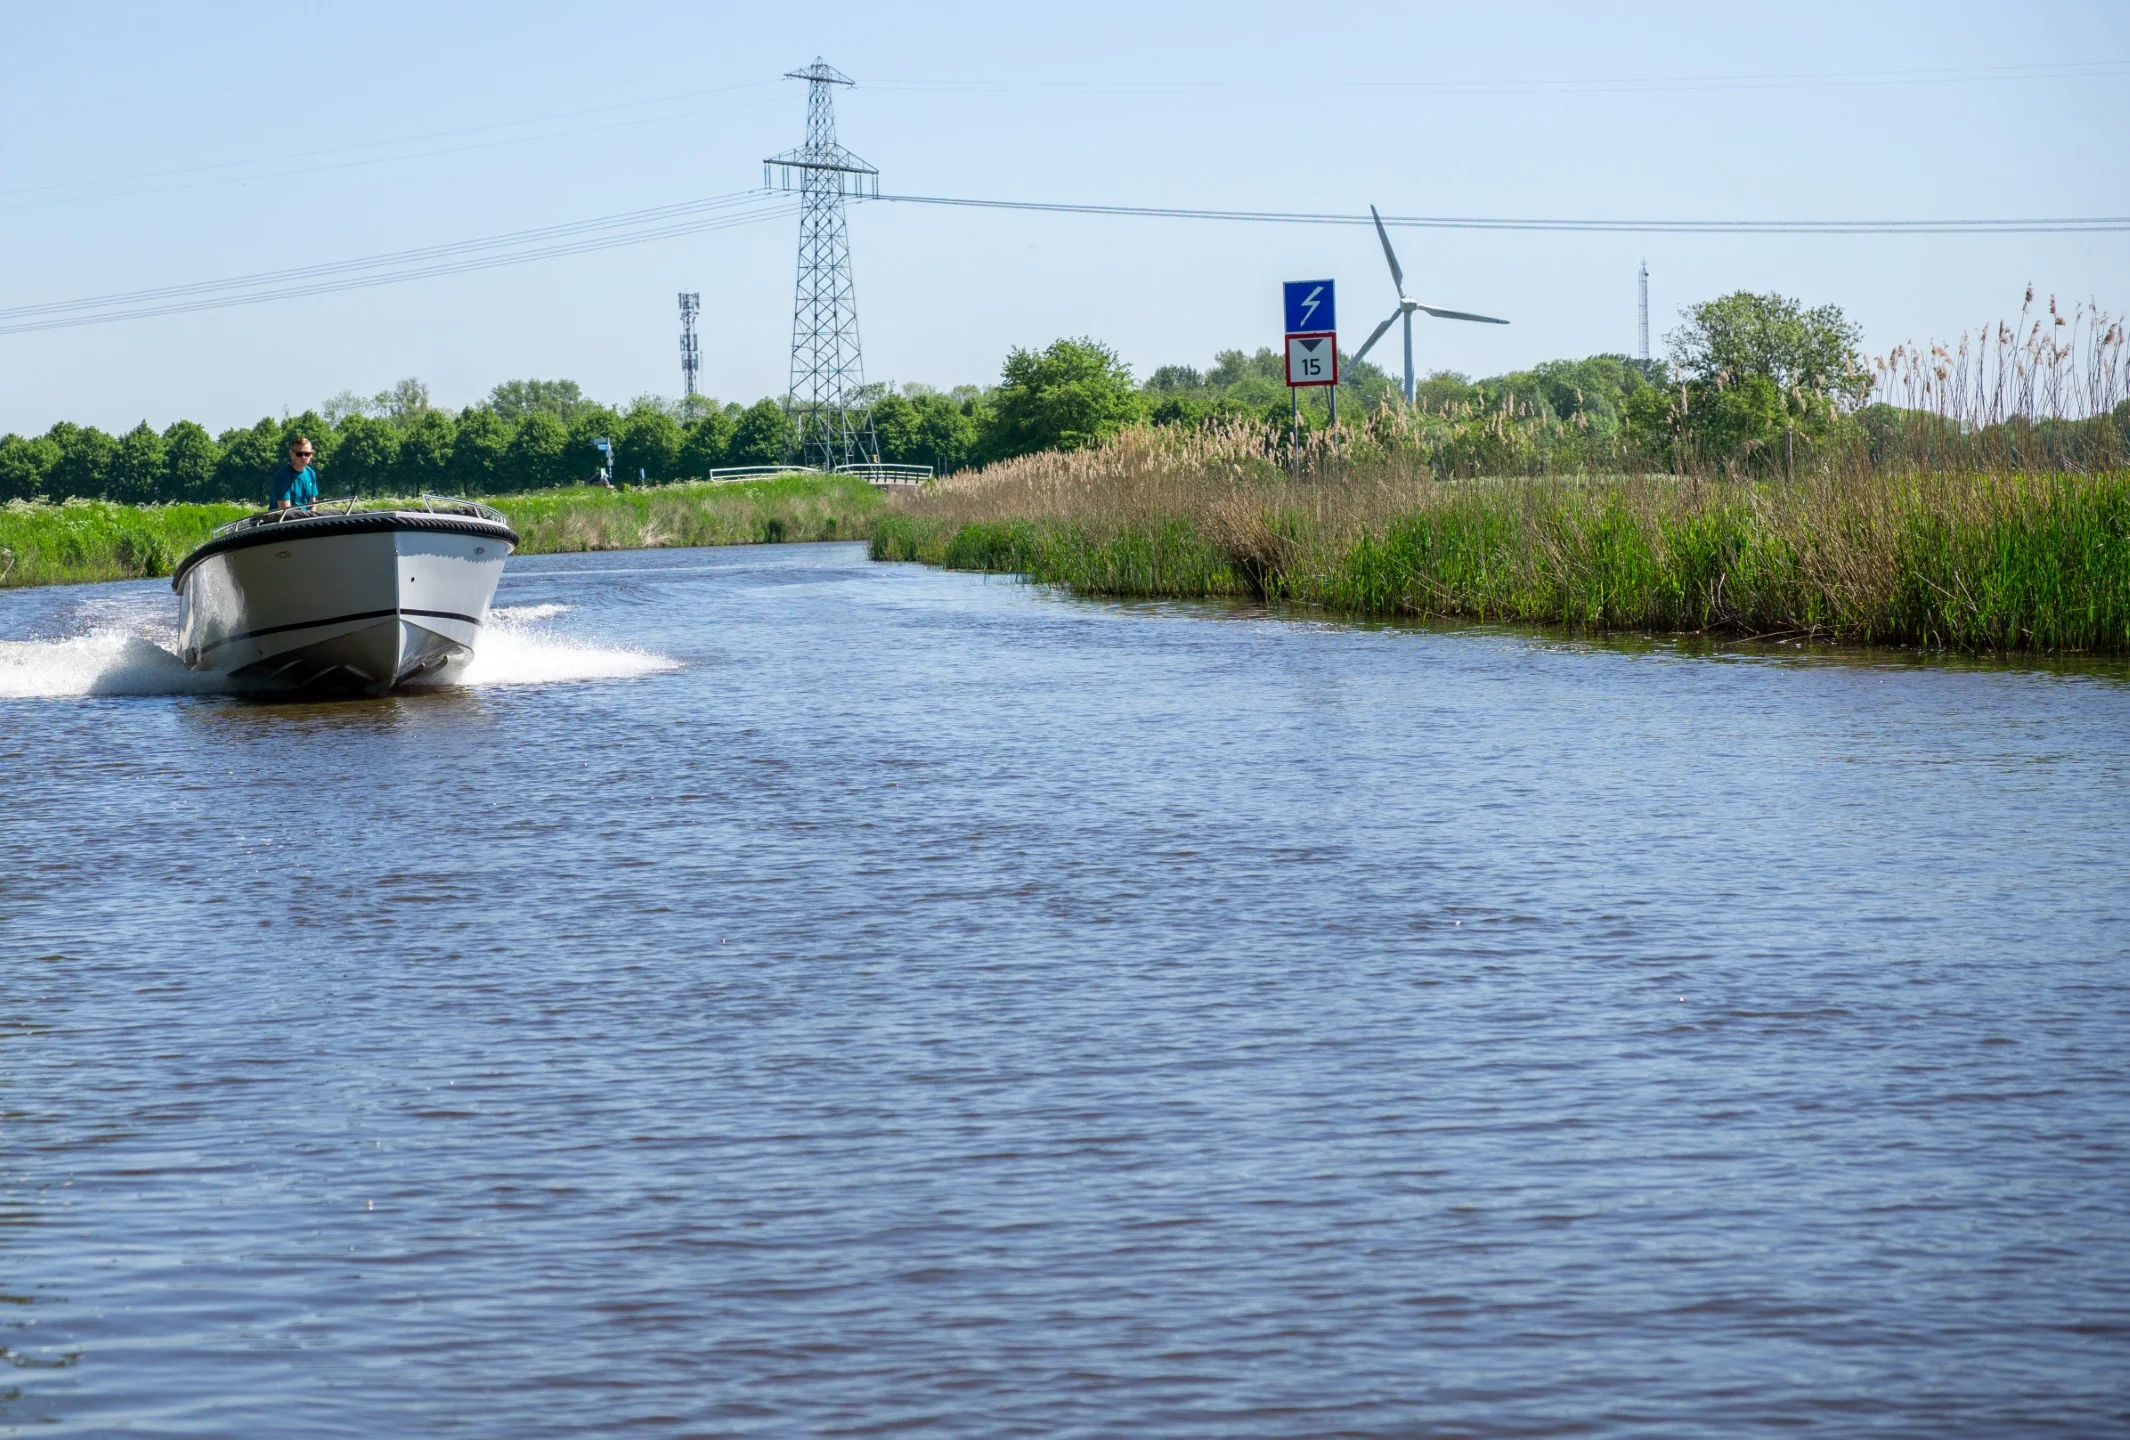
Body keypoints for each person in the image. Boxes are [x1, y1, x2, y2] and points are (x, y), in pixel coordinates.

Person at [269, 437, 320, 512]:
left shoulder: (311, 473)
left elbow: (312, 505)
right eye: (299, 454)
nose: (303, 457)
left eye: (307, 454)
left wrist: (312, 517)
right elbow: (285, 510)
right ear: (291, 453)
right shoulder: (282, 476)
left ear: (311, 454)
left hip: (306, 517)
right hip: (284, 518)